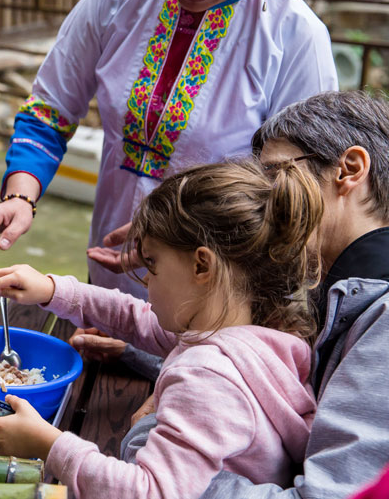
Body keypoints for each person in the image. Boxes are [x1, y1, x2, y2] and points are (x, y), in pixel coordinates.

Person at [0, 0, 340, 297]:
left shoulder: (296, 38)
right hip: (109, 275)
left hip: (216, 296)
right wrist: (19, 197)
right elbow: (51, 108)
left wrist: (178, 227)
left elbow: (299, 191)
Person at [0, 160, 321, 499]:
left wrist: (48, 444)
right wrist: (55, 291)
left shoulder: (207, 377)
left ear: (202, 265)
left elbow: (148, 491)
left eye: (153, 264)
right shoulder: (257, 336)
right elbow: (137, 318)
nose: (147, 283)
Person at [121, 91, 389, 499]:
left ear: (349, 169)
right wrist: (144, 362)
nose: (263, 200)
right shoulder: (336, 288)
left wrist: (149, 439)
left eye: (276, 175)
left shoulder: (382, 320)